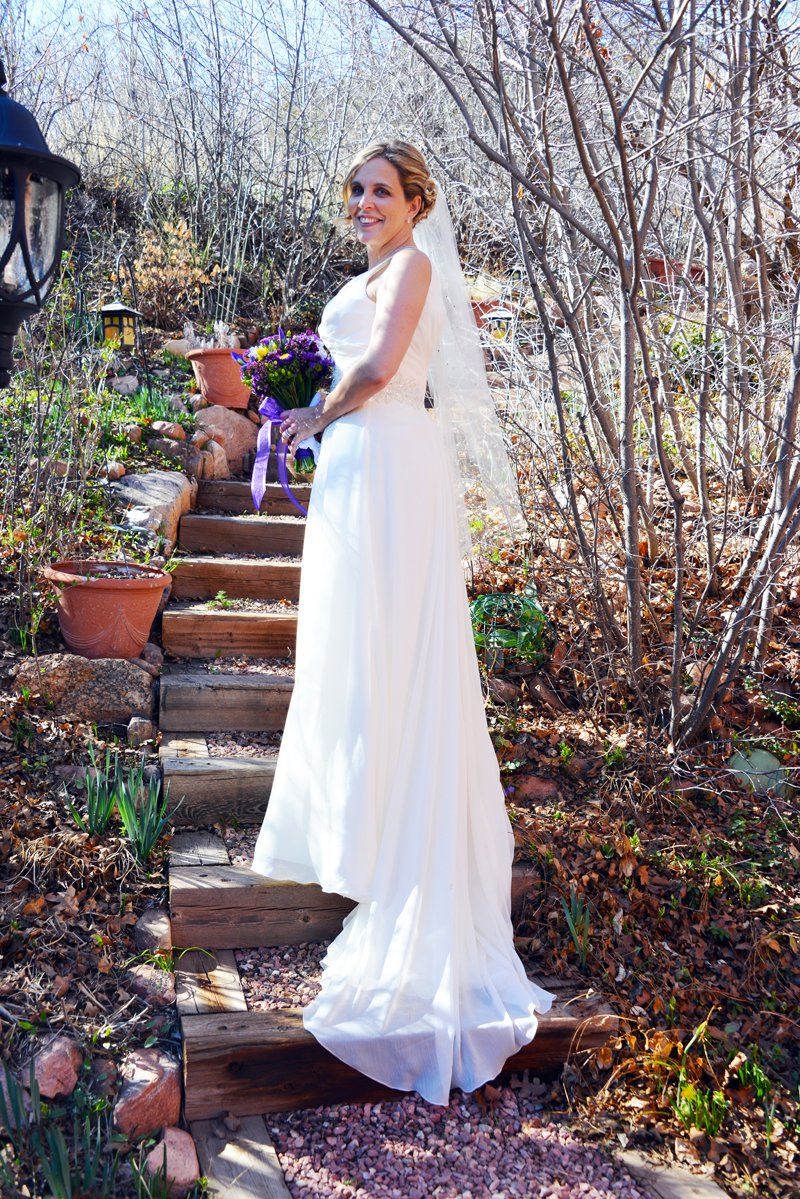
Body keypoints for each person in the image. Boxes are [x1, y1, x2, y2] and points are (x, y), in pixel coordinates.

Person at [250, 140, 554, 1105]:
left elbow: (380, 367)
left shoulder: (414, 266)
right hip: (358, 467)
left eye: (381, 189)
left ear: (417, 201)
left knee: (403, 659)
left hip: (389, 463)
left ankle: (415, 871)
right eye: (355, 189)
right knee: (359, 663)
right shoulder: (371, 271)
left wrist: (308, 417)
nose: (364, 202)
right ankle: (373, 844)